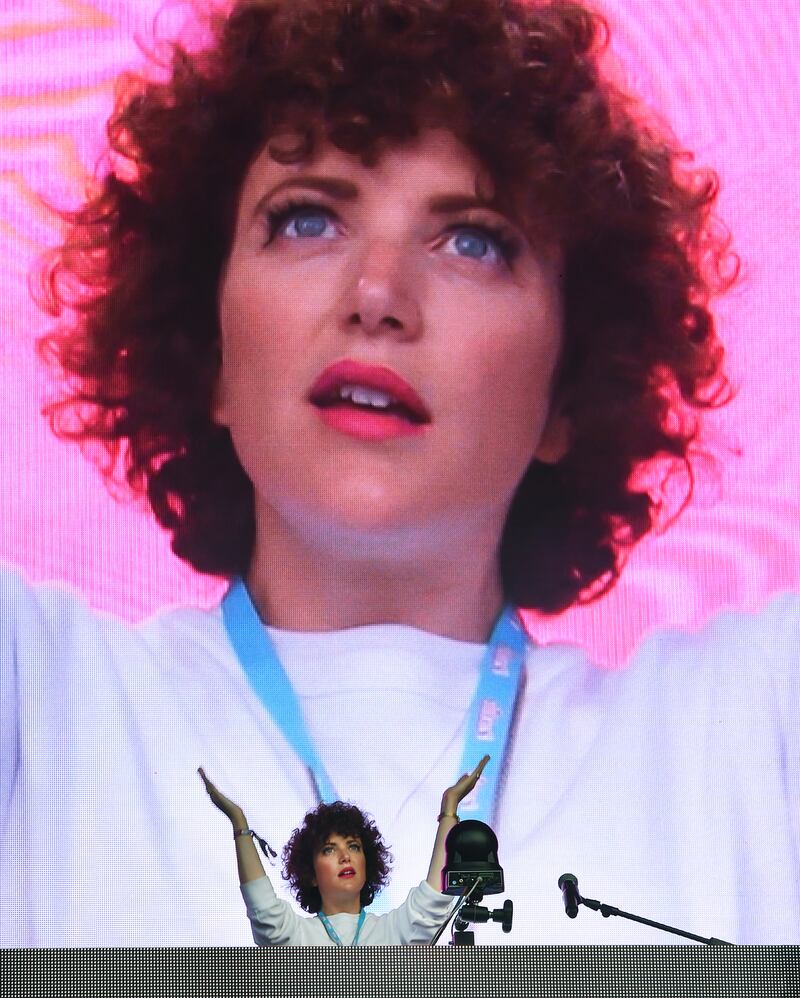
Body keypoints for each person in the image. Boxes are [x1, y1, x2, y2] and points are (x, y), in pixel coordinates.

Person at [1, 0, 798, 946]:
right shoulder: (43, 704)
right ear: (208, 352)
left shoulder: (749, 733)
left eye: (473, 241)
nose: (377, 294)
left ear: (567, 394)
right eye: (306, 220)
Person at [197, 758, 486, 945]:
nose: (345, 856)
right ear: (311, 874)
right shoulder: (296, 936)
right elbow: (263, 909)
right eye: (328, 850)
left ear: (367, 863)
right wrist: (239, 824)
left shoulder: (393, 931)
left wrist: (449, 809)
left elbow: (434, 897)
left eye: (353, 846)